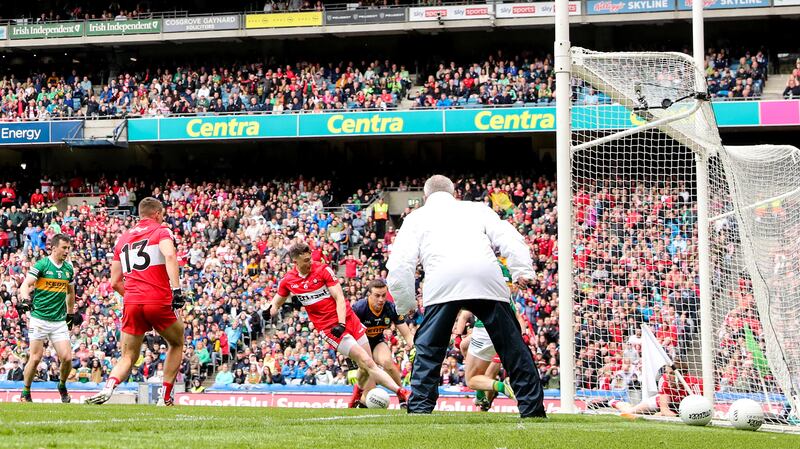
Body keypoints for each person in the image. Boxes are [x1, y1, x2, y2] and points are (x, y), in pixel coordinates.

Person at [386, 175, 545, 417]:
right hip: (486, 277)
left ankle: (419, 409)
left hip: (442, 281)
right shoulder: (476, 209)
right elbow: (509, 236)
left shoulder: (416, 217)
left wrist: (404, 302)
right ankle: (532, 409)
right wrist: (522, 270)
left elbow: (400, 263)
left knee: (429, 349)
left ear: (426, 197)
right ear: (453, 193)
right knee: (513, 347)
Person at [268, 242, 410, 408]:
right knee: (367, 362)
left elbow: (339, 298)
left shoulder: (323, 270)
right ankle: (402, 392)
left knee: (365, 366)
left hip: (348, 320)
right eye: (305, 260)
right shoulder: (288, 281)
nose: (310, 263)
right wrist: (269, 310)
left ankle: (356, 397)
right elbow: (276, 304)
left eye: (310, 258)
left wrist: (342, 323)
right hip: (329, 329)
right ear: (295, 262)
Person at [87, 198, 187, 406]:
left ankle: (108, 387)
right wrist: (176, 291)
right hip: (158, 299)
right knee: (176, 342)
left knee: (128, 356)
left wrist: (135, 297)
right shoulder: (162, 231)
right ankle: (165, 397)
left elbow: (114, 282)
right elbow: (170, 256)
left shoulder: (122, 239)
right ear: (158, 213)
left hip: (131, 301)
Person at [17, 234, 76, 403]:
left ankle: (62, 385)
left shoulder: (68, 269)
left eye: (68, 248)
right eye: (64, 248)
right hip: (39, 319)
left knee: (66, 358)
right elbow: (25, 285)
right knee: (35, 358)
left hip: (58, 321)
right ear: (54, 247)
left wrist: (70, 315)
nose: (67, 251)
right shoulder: (42, 265)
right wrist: (25, 299)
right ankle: (26, 392)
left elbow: (70, 293)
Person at [352, 279, 415, 407]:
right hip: (360, 346)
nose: (381, 299)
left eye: (383, 295)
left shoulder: (391, 308)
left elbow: (407, 334)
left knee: (388, 362)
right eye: (377, 296)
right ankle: (360, 401)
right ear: (369, 295)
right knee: (369, 390)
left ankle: (402, 398)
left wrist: (415, 347)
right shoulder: (359, 308)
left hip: (377, 341)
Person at [588, 361, 702, 418]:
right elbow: (664, 409)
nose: (667, 376)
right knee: (629, 413)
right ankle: (612, 401)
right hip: (661, 403)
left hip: (681, 407)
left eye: (671, 373)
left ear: (683, 374)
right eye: (667, 372)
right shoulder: (664, 381)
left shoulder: (695, 384)